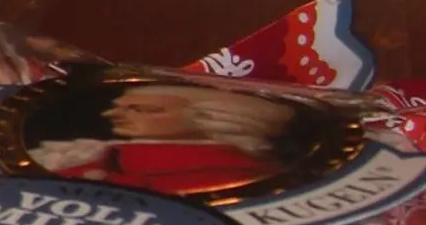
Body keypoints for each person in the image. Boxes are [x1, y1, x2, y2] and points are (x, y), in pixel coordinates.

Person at [26, 82, 297, 198]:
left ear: (208, 117)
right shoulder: (95, 151)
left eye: (142, 109)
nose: (111, 114)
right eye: (119, 107)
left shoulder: (233, 172)